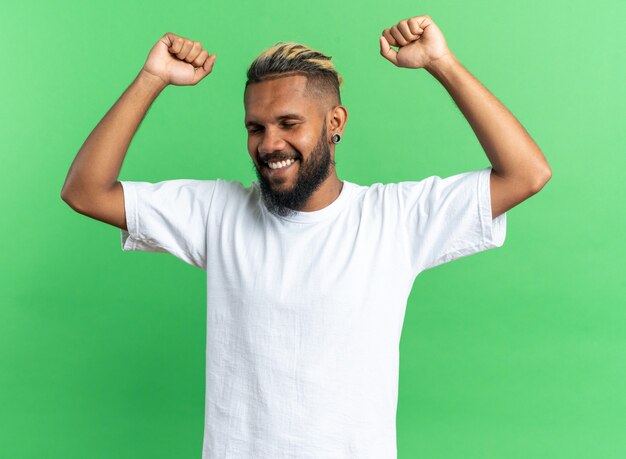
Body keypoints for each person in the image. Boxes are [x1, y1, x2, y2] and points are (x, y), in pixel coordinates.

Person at [61, 15, 551, 459]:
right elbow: (85, 191)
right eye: (256, 127)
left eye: (289, 123)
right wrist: (152, 79)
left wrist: (442, 63)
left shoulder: (394, 218)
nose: (270, 143)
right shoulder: (217, 212)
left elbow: (526, 173)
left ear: (334, 123)